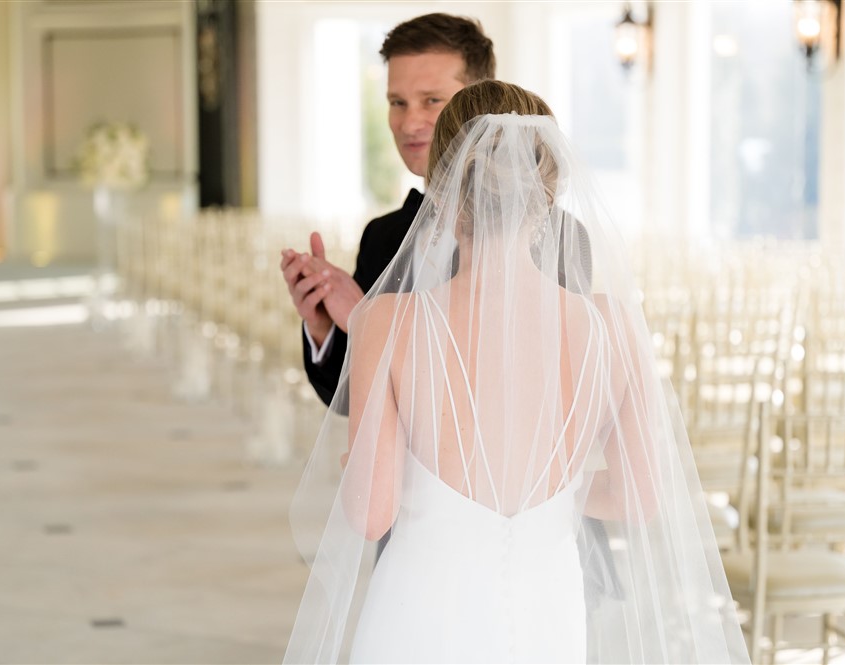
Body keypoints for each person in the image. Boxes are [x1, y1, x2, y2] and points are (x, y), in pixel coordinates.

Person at [284, 80, 749, 663]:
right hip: (547, 605)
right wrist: (564, 493)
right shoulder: (612, 322)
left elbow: (370, 514)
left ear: (446, 188)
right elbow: (640, 494)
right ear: (547, 189)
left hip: (421, 608)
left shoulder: (387, 320)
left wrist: (366, 466)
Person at [279, 13, 495, 407]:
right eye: (398, 102)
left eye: (432, 100)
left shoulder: (553, 237)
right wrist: (324, 328)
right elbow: (347, 403)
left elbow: (512, 392)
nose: (410, 122)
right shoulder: (381, 236)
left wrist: (366, 321)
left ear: (478, 103)